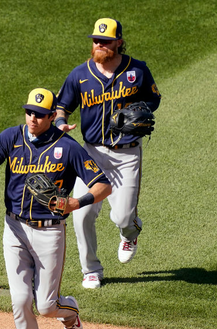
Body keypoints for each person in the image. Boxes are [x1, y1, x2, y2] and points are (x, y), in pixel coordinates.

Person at [0, 88, 112, 329]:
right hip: (15, 229)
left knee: (46, 306)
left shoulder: (68, 148)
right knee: (20, 301)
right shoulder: (11, 137)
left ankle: (69, 313)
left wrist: (75, 203)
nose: (33, 118)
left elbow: (103, 185)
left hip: (49, 232)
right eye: (29, 112)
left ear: (51, 116)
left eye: (40, 114)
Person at [55, 18, 162, 289]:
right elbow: (61, 107)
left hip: (126, 155)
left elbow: (153, 99)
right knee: (81, 213)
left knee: (122, 217)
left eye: (105, 40)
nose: (99, 44)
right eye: (95, 40)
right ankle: (91, 269)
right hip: (90, 154)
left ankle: (130, 232)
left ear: (119, 42)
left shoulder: (137, 70)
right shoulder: (79, 74)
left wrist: (140, 111)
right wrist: (60, 124)